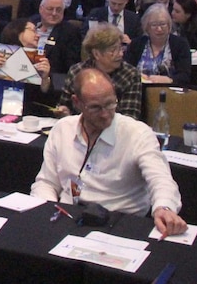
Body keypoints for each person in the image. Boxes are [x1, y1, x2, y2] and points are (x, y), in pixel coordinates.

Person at [31, 68, 187, 237]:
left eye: (111, 104)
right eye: (96, 108)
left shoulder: (137, 134)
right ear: (77, 102)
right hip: (69, 216)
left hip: (120, 224)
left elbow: (161, 179)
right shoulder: (62, 129)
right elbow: (46, 183)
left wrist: (163, 207)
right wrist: (48, 211)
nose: (106, 114)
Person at [57, 24, 143, 120]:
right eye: (113, 50)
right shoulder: (76, 71)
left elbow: (130, 117)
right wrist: (63, 111)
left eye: (121, 48)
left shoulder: (130, 75)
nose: (120, 54)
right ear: (96, 54)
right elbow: (64, 105)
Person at [124, 4, 191, 85]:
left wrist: (169, 80)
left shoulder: (180, 44)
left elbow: (184, 76)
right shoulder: (136, 44)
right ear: (147, 27)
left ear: (169, 25)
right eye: (154, 25)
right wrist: (137, 76)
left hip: (169, 91)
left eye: (163, 24)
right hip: (139, 90)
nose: (159, 29)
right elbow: (126, 69)